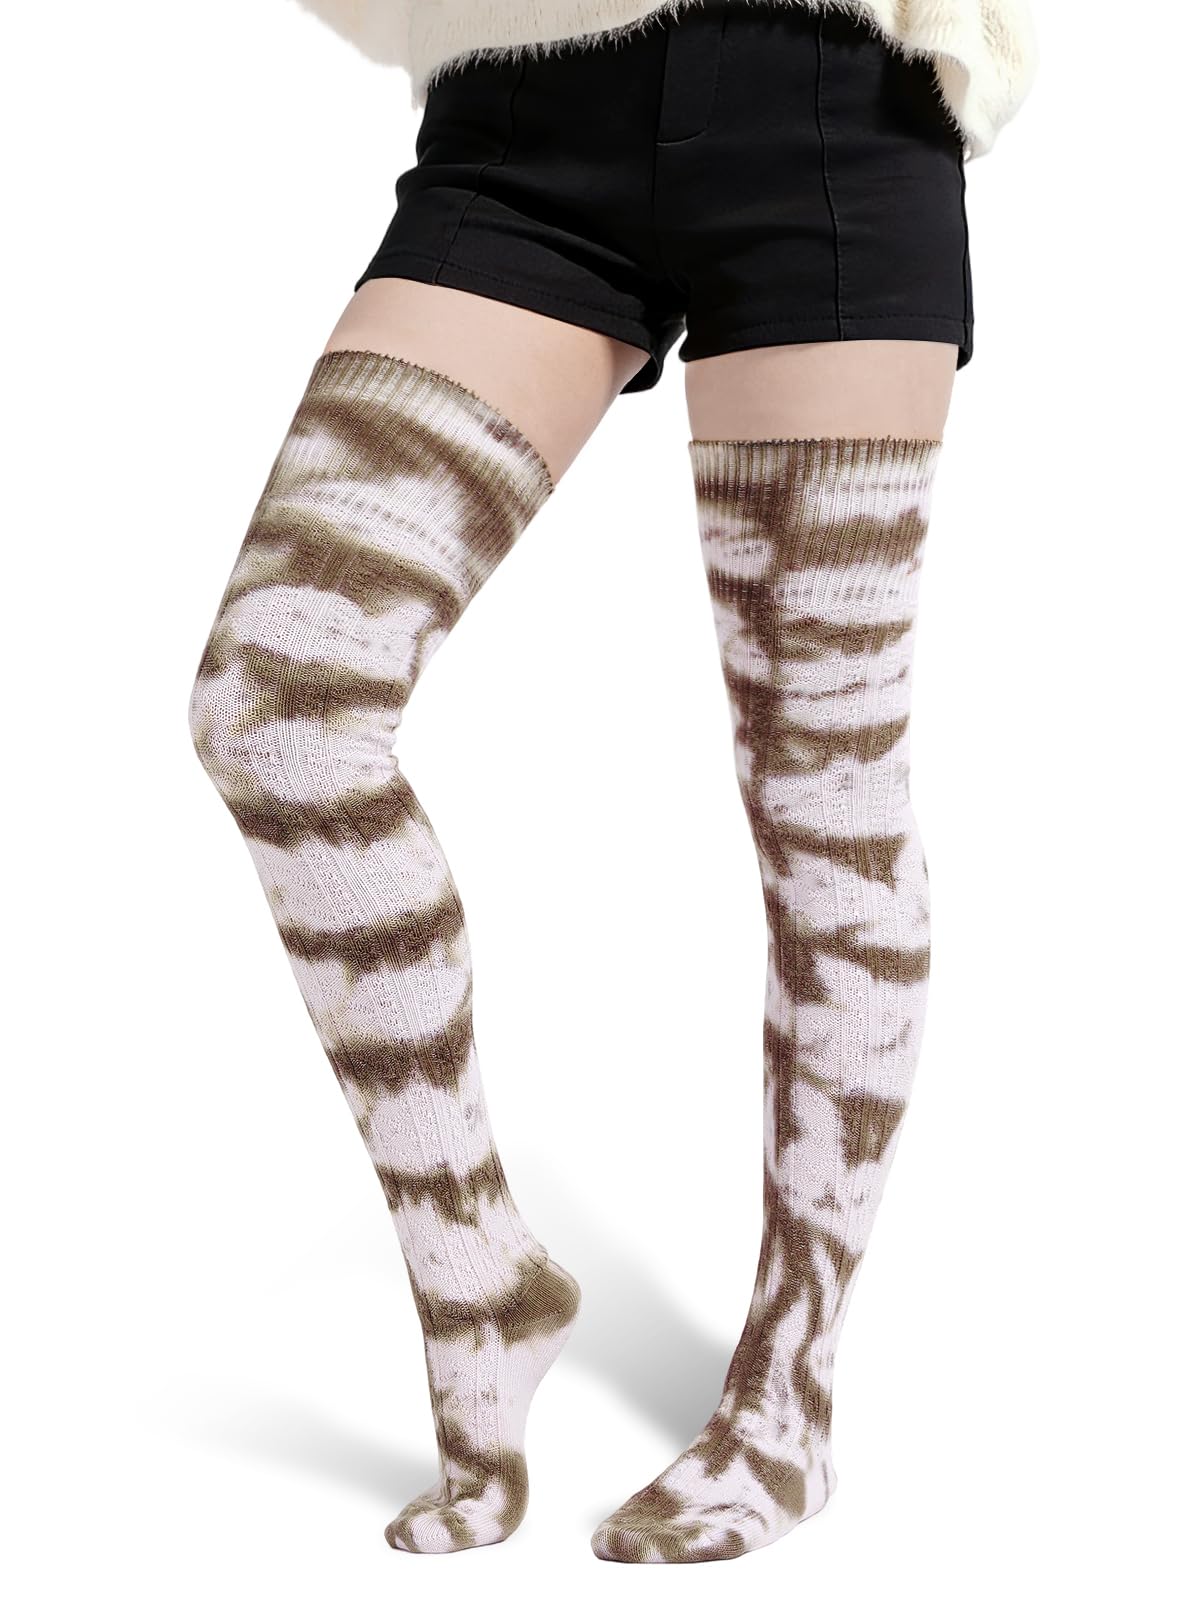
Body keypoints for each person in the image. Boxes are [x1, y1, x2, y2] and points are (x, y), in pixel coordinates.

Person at [187, 0, 1037, 1565]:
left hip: (824, 100)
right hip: (517, 113)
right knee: (281, 700)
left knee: (824, 785)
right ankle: (478, 1275)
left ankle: (789, 1381)